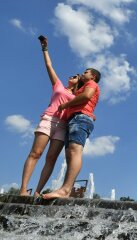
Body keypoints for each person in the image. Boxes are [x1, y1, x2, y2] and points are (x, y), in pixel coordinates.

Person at [20, 36, 81, 196]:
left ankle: (38, 191)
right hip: (49, 119)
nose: (72, 76)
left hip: (63, 126)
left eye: (76, 76)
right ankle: (23, 189)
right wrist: (45, 48)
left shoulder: (78, 97)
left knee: (51, 159)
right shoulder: (59, 85)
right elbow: (49, 65)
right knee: (36, 153)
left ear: (79, 82)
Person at [42, 64, 101, 199]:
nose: (83, 73)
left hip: (80, 118)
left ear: (93, 76)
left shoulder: (91, 83)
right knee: (70, 154)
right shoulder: (83, 86)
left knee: (74, 151)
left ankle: (65, 190)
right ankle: (66, 189)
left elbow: (86, 96)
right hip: (76, 119)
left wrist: (66, 105)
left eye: (86, 72)